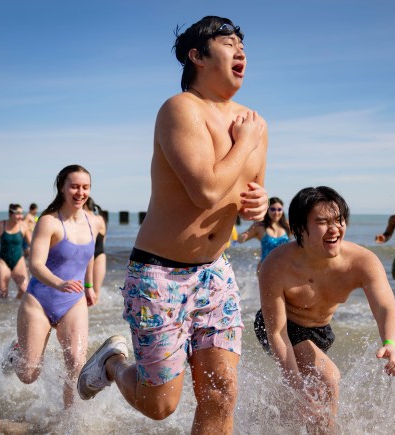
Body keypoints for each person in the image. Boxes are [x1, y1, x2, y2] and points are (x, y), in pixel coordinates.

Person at [77, 16, 268, 434]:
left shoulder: (254, 123)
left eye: (242, 45)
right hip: (160, 274)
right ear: (196, 56)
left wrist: (258, 203)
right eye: (227, 43)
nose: (240, 51)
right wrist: (246, 143)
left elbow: (249, 195)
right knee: (160, 405)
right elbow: (206, 191)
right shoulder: (181, 109)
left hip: (215, 272)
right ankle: (112, 362)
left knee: (221, 394)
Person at [256, 186, 395, 430]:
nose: (335, 228)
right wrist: (296, 386)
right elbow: (277, 333)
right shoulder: (276, 265)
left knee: (315, 399)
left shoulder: (362, 262)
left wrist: (391, 345)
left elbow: (386, 309)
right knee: (328, 380)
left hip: (321, 332)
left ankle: (276, 419)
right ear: (298, 229)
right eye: (323, 222)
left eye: (339, 220)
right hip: (279, 327)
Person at [2, 165, 102, 409]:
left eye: (85, 187)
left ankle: (68, 420)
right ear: (62, 188)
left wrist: (88, 285)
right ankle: (15, 353)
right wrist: (60, 283)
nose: (80, 192)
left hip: (73, 301)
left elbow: (88, 256)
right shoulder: (49, 221)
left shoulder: (95, 222)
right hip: (40, 300)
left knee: (76, 364)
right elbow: (35, 264)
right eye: (74, 186)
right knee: (28, 375)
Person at [238, 196, 291, 273]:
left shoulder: (287, 226)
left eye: (279, 209)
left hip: (285, 267)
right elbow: (240, 240)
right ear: (267, 210)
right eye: (273, 209)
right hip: (265, 268)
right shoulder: (259, 227)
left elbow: (305, 234)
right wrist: (243, 235)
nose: (276, 213)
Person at [84, 197, 107, 306]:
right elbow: (104, 240)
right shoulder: (100, 218)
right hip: (99, 255)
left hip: (97, 256)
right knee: (94, 292)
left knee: (92, 291)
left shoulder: (94, 219)